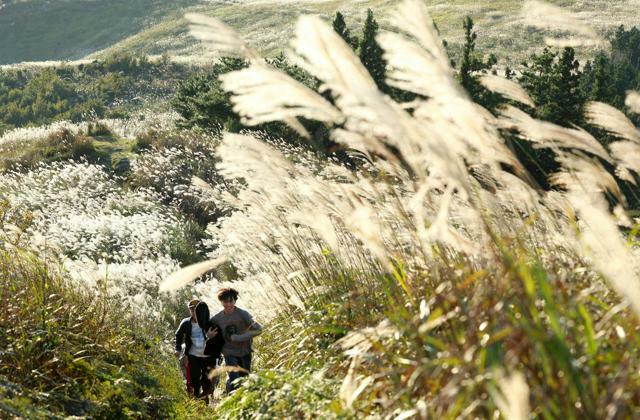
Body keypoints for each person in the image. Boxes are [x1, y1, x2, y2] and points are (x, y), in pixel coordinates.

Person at [210, 288, 262, 393]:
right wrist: (209, 335)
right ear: (221, 302)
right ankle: (234, 398)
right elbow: (207, 333)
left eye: (231, 301)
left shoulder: (243, 314)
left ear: (235, 301)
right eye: (225, 302)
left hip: (245, 352)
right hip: (229, 353)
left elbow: (259, 330)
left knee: (244, 380)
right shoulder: (217, 319)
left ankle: (229, 386)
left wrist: (239, 338)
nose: (228, 304)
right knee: (235, 380)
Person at [175, 299, 224, 401]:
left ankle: (204, 400)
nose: (194, 312)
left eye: (196, 309)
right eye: (192, 310)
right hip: (194, 355)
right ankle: (196, 398)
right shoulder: (186, 323)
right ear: (190, 311)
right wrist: (178, 348)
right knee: (194, 379)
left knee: (206, 380)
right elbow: (178, 334)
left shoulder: (211, 323)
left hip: (208, 357)